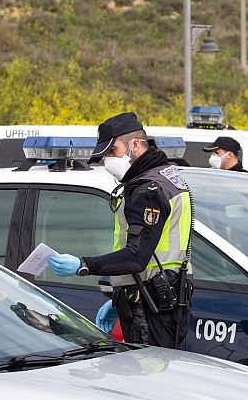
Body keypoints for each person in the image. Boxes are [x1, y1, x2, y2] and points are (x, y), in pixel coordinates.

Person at [48, 112, 193, 348]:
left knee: (149, 375)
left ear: (134, 145)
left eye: (112, 151)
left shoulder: (149, 189)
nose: (107, 161)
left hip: (152, 306)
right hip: (159, 297)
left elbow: (137, 256)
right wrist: (121, 295)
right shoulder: (165, 178)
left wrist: (83, 265)